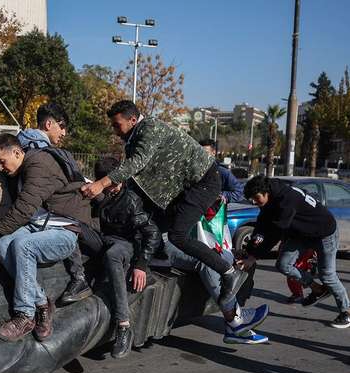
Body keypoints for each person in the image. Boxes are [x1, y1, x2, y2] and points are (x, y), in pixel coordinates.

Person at [81, 100, 247, 310]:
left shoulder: (150, 128)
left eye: (117, 125)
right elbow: (138, 178)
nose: (115, 131)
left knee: (178, 236)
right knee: (152, 229)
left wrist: (102, 183)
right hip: (181, 190)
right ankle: (146, 266)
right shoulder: (133, 139)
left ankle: (228, 272)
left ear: (132, 119)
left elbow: (137, 162)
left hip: (203, 182)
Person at [0, 133, 95, 342]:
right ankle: (42, 303)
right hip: (38, 226)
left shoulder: (39, 163)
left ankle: (25, 315)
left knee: (23, 246)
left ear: (17, 152)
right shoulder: (23, 169)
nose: (1, 168)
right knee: (4, 245)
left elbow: (23, 210)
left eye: (2, 162)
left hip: (64, 231)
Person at [239, 175, 350, 329]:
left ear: (266, 192)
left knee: (327, 274)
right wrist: (250, 251)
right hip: (302, 234)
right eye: (251, 199)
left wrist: (255, 257)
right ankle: (317, 289)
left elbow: (275, 233)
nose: (253, 202)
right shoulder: (269, 200)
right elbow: (261, 227)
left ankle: (346, 311)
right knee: (283, 264)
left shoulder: (286, 199)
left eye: (256, 198)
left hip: (324, 233)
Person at [14, 102, 95, 304]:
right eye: (62, 125)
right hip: (44, 214)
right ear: (49, 124)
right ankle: (77, 280)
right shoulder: (44, 153)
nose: (64, 132)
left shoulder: (19, 144)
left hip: (32, 215)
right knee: (68, 217)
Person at [92, 158, 161, 358]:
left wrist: (141, 264)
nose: (111, 188)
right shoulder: (99, 195)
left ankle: (123, 326)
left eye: (114, 183)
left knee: (113, 254)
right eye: (107, 184)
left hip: (125, 244)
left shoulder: (131, 199)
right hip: (103, 239)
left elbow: (152, 233)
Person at [198, 138, 244, 203]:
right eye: (200, 153)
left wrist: (219, 195)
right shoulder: (193, 171)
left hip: (214, 211)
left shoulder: (222, 172)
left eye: (205, 153)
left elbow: (239, 193)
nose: (202, 156)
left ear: (213, 153)